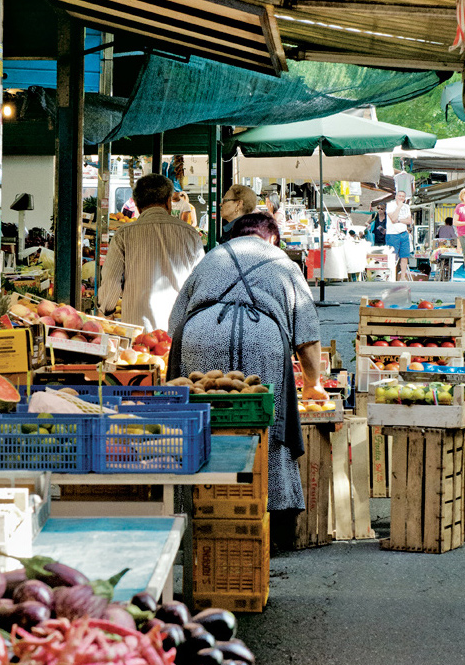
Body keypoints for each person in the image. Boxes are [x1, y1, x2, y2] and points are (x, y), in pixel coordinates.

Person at [167, 209, 326, 545]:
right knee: (265, 421)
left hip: (199, 334)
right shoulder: (283, 263)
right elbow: (307, 336)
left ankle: (200, 508)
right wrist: (313, 383)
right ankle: (272, 512)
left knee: (205, 420)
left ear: (234, 236)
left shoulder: (212, 257)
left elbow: (174, 321)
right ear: (271, 238)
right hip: (263, 339)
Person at [98, 171, 203, 331]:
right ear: (168, 202)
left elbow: (111, 280)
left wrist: (106, 311)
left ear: (138, 207)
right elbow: (201, 283)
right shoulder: (190, 234)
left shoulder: (124, 234)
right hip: (180, 329)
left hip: (138, 330)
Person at [385, 188, 414, 281]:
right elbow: (392, 219)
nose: (401, 198)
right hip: (392, 234)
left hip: (403, 233)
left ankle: (402, 277)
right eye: (399, 196)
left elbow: (409, 221)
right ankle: (391, 276)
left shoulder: (407, 207)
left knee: (404, 256)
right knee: (392, 256)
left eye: (403, 196)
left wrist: (399, 220)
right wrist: (398, 207)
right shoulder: (390, 205)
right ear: (396, 196)